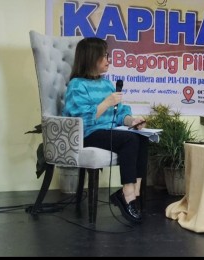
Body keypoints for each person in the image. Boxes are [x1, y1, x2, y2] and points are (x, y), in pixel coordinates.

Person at [63, 37, 148, 224]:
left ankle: (135, 191)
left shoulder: (107, 84)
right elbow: (81, 120)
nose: (108, 60)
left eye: (107, 56)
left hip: (107, 132)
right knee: (129, 140)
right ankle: (127, 194)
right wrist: (106, 102)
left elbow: (119, 114)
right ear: (91, 58)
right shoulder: (77, 85)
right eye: (104, 57)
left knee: (141, 137)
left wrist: (132, 120)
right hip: (88, 134)